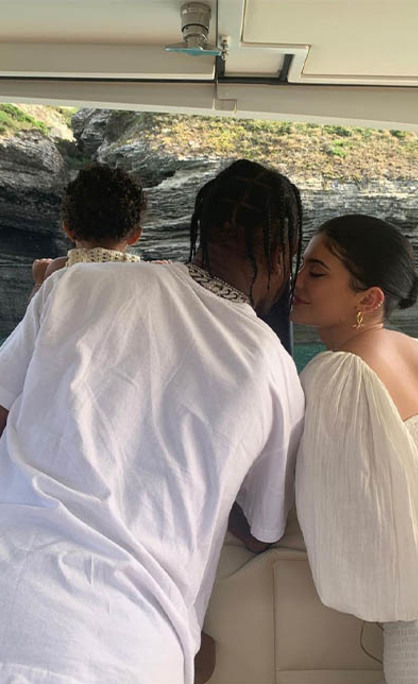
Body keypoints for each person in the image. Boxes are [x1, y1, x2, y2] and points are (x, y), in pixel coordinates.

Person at [0, 159, 305, 684]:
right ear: (282, 255)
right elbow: (262, 529)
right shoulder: (275, 370)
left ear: (199, 228)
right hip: (128, 642)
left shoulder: (75, 284)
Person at [291, 214, 418, 683]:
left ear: (370, 299)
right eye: (303, 265)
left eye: (317, 273)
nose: (297, 281)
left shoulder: (340, 374)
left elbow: (346, 513)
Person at [31, 162, 145, 299]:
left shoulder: (60, 268)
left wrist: (40, 282)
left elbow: (39, 311)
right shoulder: (143, 274)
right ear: (135, 235)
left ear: (69, 230)